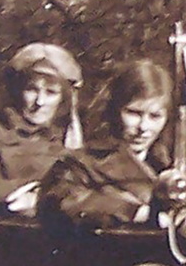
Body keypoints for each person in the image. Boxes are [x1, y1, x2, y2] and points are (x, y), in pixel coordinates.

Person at [41, 59, 177, 226]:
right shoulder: (82, 163)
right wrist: (134, 212)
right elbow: (64, 198)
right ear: (114, 110)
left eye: (155, 116)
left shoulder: (171, 163)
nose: (143, 127)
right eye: (134, 113)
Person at [0, 42, 83, 215]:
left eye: (51, 92)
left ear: (63, 99)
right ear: (17, 91)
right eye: (32, 89)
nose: (40, 102)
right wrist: (18, 195)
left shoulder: (70, 143)